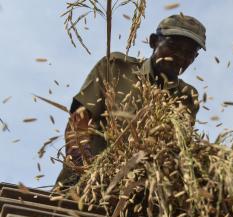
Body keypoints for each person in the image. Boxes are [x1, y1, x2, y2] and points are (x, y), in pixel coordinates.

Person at [54, 14, 206, 189]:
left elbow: (176, 151)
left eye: (189, 53)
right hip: (84, 186)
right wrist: (84, 166)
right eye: (173, 46)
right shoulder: (116, 67)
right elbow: (79, 120)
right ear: (154, 41)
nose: (179, 57)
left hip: (139, 197)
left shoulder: (187, 97)